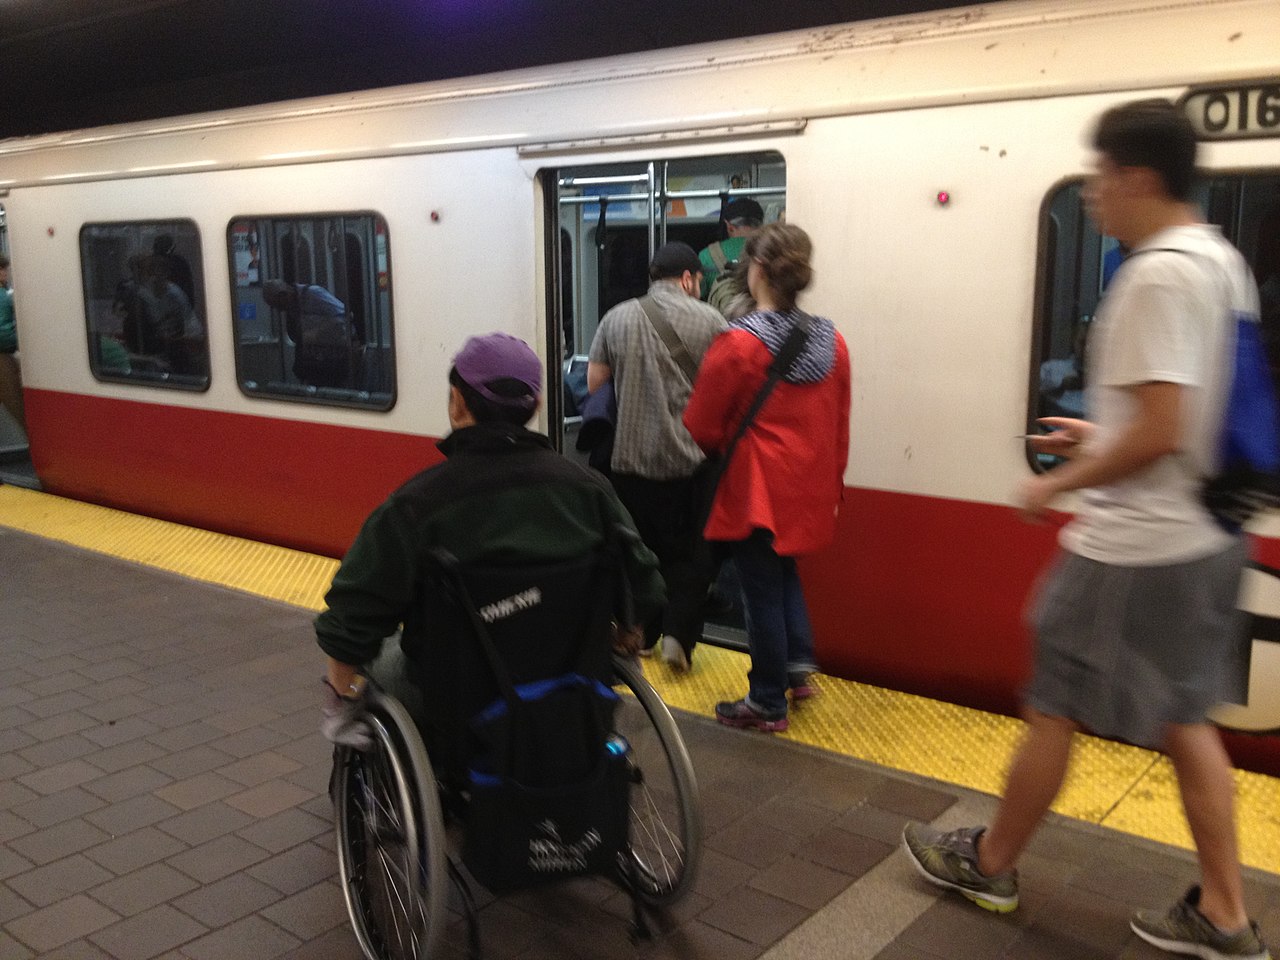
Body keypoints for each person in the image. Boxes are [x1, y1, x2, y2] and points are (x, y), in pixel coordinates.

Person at [902, 99, 1271, 960]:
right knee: (1185, 720)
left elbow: (1164, 429)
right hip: (1203, 534)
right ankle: (1224, 914)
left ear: (1137, 176)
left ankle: (991, 863)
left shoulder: (1158, 273)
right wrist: (1101, 437)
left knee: (1052, 705)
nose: (1096, 195)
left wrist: (1059, 484)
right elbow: (1191, 418)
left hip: (1133, 547)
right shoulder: (1221, 261)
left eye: (1102, 175)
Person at [315, 332, 664, 754]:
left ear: (457, 403)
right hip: (572, 685)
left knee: (380, 661)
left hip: (456, 703)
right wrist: (630, 630)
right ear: (535, 406)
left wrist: (339, 703)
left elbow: (351, 615)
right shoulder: (591, 492)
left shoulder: (416, 505)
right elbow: (646, 588)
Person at [684, 222, 851, 732]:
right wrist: (832, 485)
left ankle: (766, 701)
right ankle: (798, 669)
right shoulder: (833, 342)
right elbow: (839, 421)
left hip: (757, 487)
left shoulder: (738, 344)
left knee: (759, 590)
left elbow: (701, 423)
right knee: (784, 574)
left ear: (755, 270)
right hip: (808, 486)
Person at [587, 242, 727, 672]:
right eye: (699, 281)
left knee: (639, 552)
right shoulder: (713, 321)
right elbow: (728, 389)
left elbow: (595, 384)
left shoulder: (617, 317)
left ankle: (642, 634)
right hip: (691, 463)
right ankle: (678, 637)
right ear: (688, 278)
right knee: (688, 557)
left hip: (631, 464)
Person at [263, 279, 357, 388]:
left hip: (336, 352)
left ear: (283, 295)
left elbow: (345, 316)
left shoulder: (314, 294)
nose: (279, 310)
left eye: (277, 305)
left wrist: (317, 333)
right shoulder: (293, 304)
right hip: (318, 358)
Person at [699, 197, 764, 305]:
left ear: (729, 226)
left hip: (720, 320)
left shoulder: (706, 255)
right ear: (761, 225)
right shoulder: (770, 251)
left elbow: (698, 297)